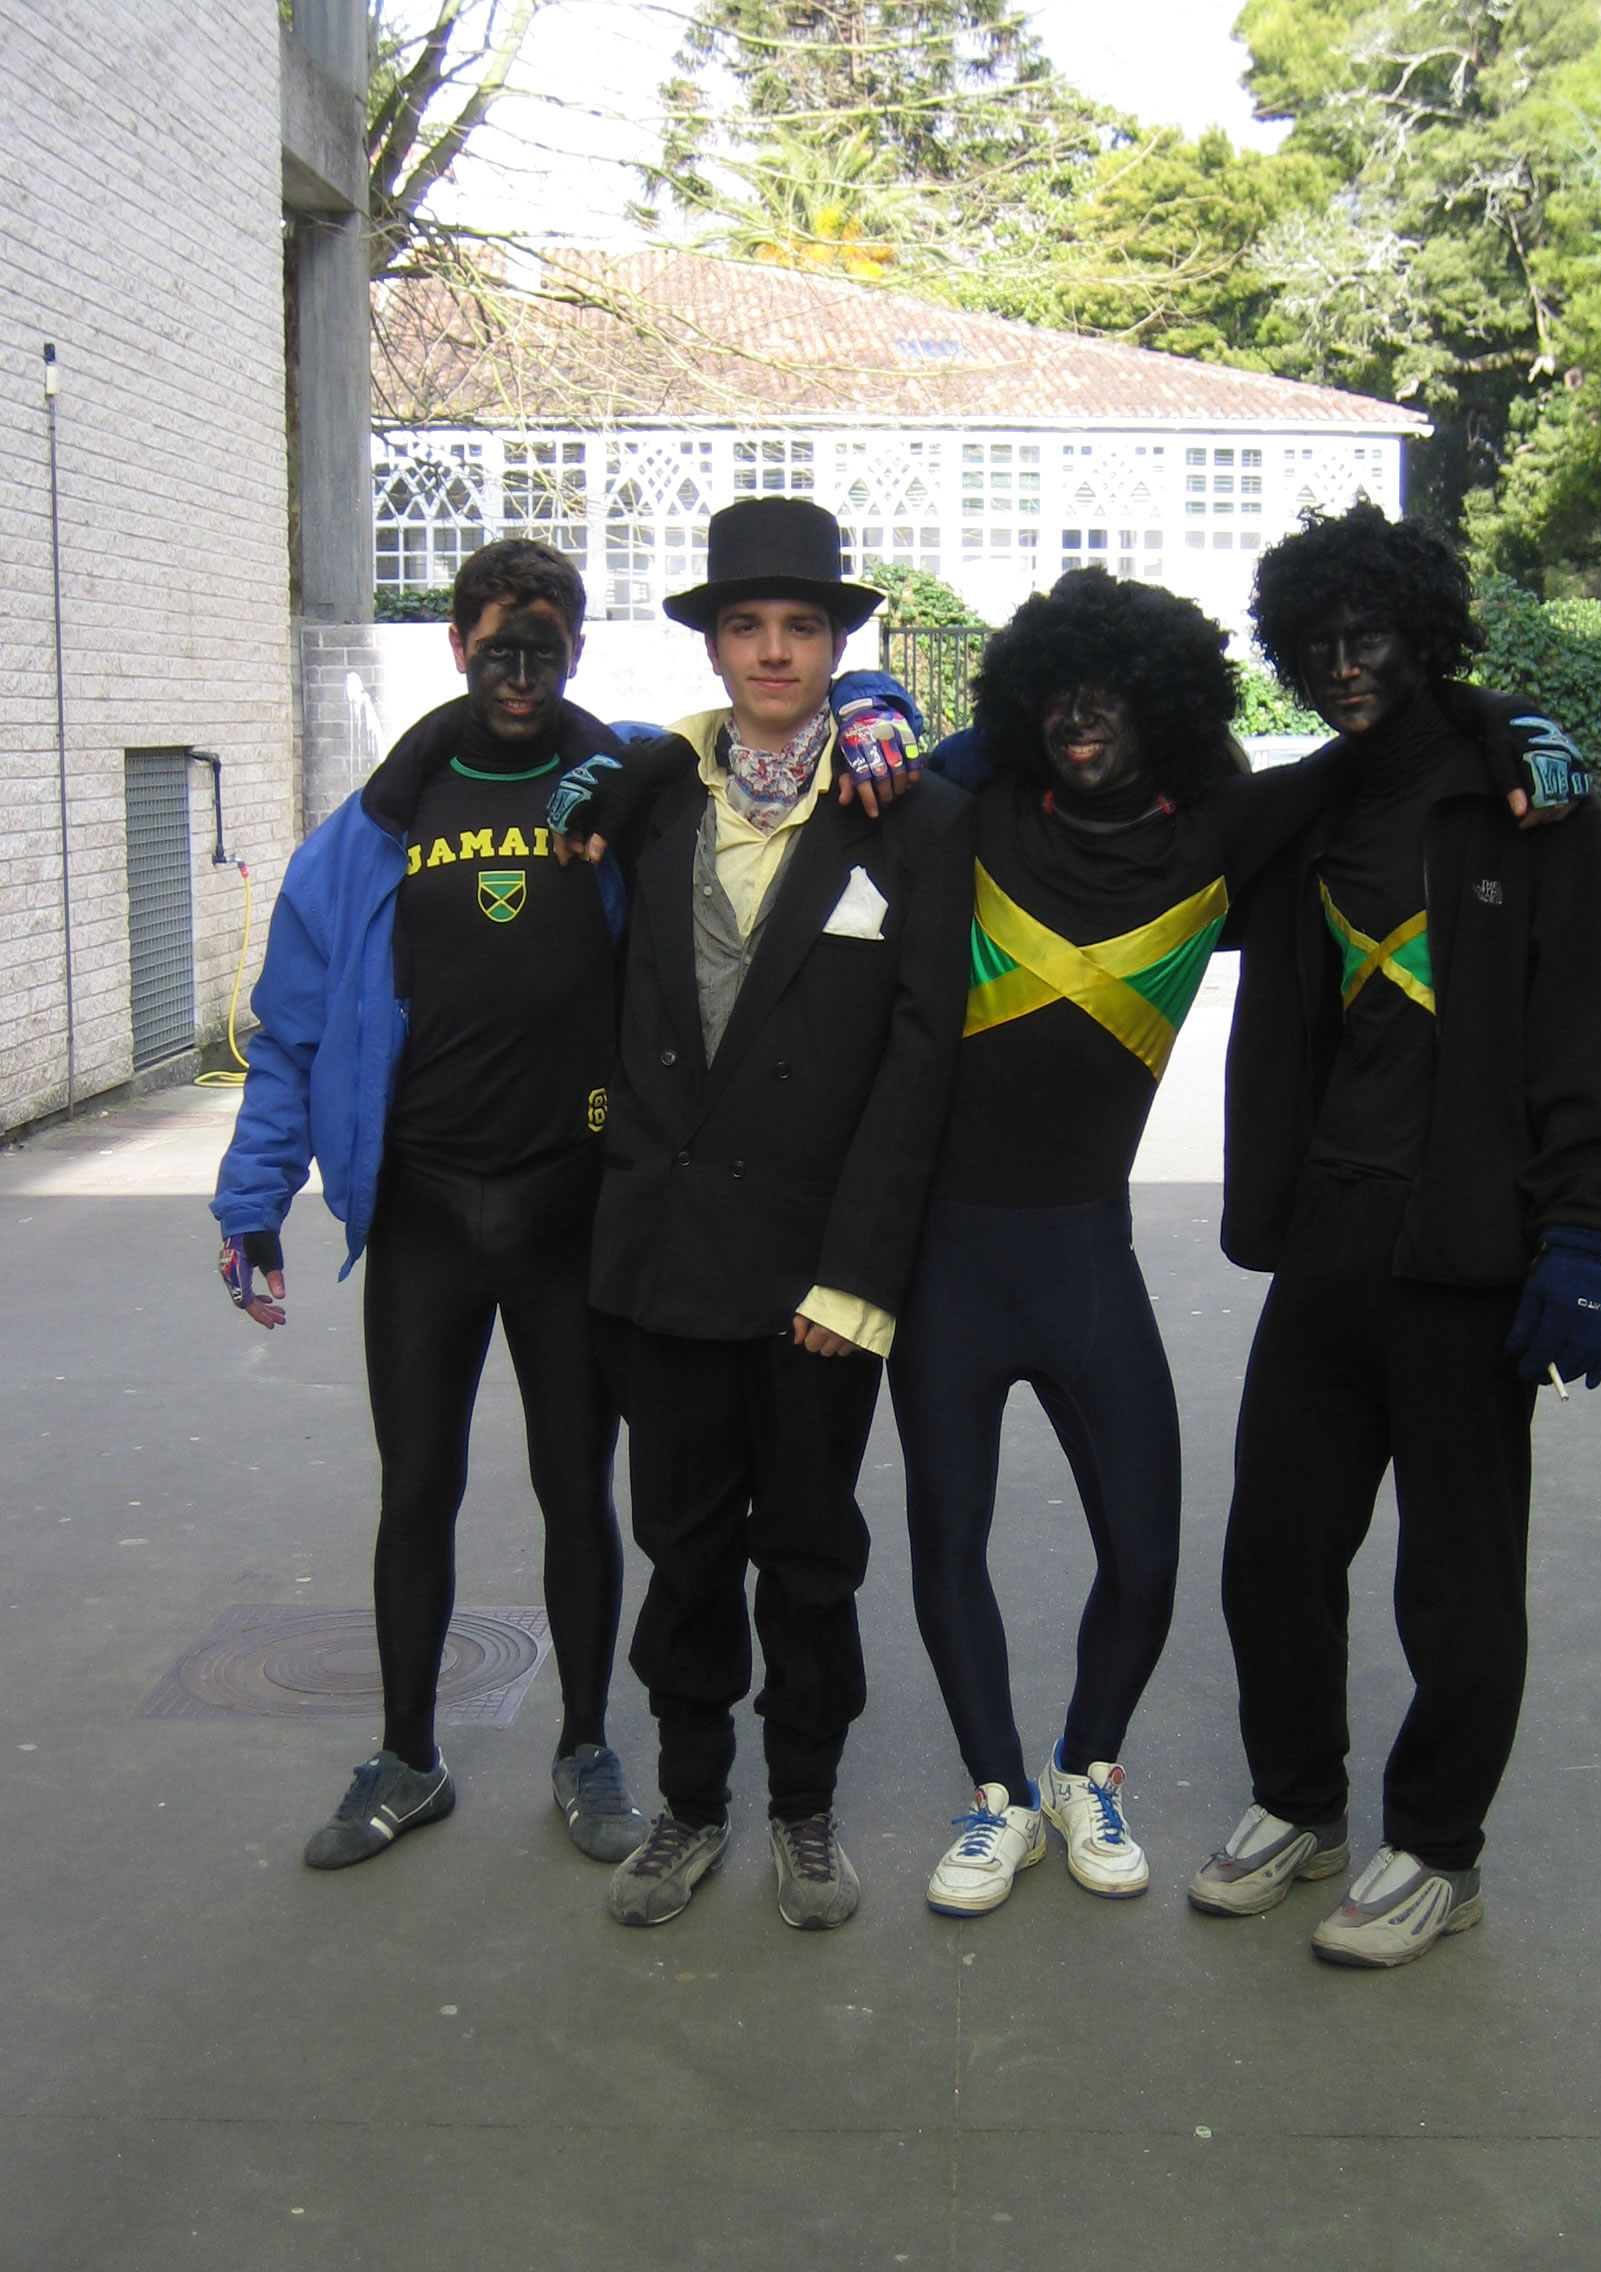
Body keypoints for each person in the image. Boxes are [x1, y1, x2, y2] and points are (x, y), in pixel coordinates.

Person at [1187, 502, 1601, 1967]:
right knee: (1273, 1549)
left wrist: (1578, 1235)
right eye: (1317, 645)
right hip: (1329, 1234)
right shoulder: (1308, 809)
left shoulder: (1527, 802)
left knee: (1455, 1580)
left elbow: (1580, 1023)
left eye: (1370, 637)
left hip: (1469, 1251)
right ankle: (1300, 1804)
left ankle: (1440, 1851)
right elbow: (1138, 810)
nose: (1344, 667)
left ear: (1422, 633)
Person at [889, 568, 1375, 1917]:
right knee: (947, 1545)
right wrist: (884, 706)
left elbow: (1389, 745)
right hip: (944, 1268)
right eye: (1056, 692)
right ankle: (996, 1796)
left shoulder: (1222, 835)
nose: (1079, 715)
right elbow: (827, 765)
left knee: (1149, 1558)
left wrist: (1517, 730)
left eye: (1111, 692)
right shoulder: (971, 811)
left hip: (1086, 1264)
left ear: (1166, 704)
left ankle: (1081, 1769)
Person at [569, 496, 976, 1931]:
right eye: (747, 625)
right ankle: (690, 1807)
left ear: (839, 646)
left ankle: (805, 1808)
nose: (775, 651)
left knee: (808, 1557)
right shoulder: (654, 796)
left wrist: (858, 1277)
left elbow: (920, 1066)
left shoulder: (912, 818)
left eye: (803, 626)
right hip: (668, 1261)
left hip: (814, 1278)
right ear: (714, 646)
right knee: (681, 1553)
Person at [211, 539, 649, 1871]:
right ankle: (409, 1760)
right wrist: (253, 1197)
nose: (520, 676)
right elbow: (291, 1035)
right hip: (423, 1214)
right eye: (497, 649)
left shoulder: (628, 790)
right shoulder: (366, 836)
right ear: (456, 647)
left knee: (577, 1489)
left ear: (575, 652)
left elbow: (752, 743)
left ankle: (585, 1749)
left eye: (544, 652)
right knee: (418, 1491)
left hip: (570, 1209)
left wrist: (878, 706)